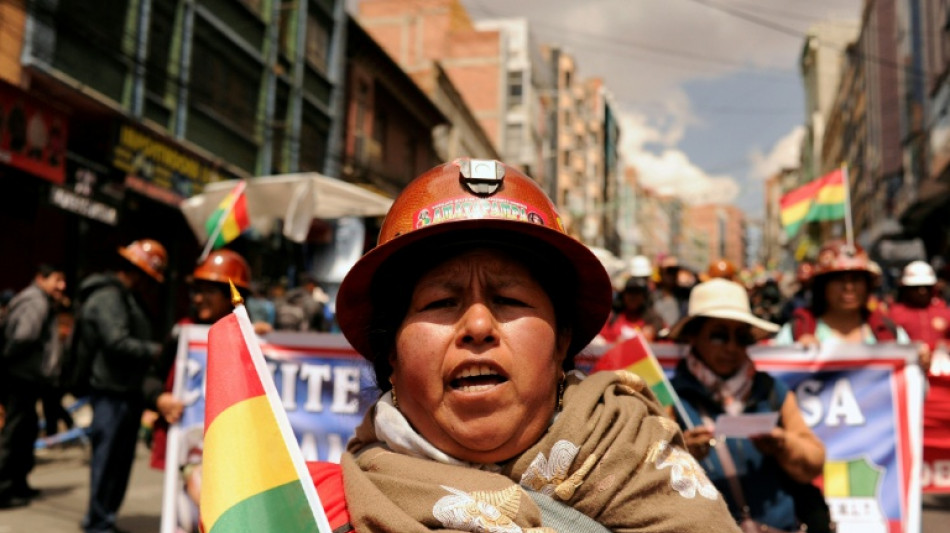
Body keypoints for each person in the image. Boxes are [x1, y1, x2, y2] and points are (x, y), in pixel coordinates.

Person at [312, 159, 740, 532]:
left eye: (510, 299)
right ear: (391, 352)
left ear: (562, 342)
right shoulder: (312, 510)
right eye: (441, 302)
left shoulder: (640, 460)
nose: (478, 325)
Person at [667, 278, 827, 532]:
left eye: (741, 337)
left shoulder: (773, 391)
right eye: (719, 336)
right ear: (693, 336)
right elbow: (644, 482)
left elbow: (813, 463)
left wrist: (783, 444)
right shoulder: (669, 399)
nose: (732, 347)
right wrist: (680, 456)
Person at [145, 249, 263, 533]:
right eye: (197, 292)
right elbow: (149, 378)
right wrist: (159, 399)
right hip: (192, 454)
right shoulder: (182, 333)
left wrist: (269, 345)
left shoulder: (255, 336)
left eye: (207, 292)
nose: (198, 299)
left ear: (231, 295)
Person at [77, 239, 167, 533]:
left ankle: (106, 518)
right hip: (110, 394)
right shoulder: (108, 297)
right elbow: (116, 342)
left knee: (120, 463)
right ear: (137, 272)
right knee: (106, 464)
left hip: (128, 393)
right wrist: (155, 351)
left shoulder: (128, 297)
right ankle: (98, 522)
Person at [0, 264, 67, 509]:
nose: (62, 286)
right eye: (57, 280)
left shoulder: (42, 301)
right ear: (41, 279)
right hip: (21, 378)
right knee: (15, 433)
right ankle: (3, 489)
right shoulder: (36, 301)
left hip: (28, 377)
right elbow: (23, 336)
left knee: (25, 432)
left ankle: (18, 484)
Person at [773, 241, 914, 348]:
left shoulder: (888, 331)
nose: (849, 287)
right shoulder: (796, 332)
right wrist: (796, 355)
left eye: (856, 279)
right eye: (839, 279)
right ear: (822, 286)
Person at [889, 260, 950, 357]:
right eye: (916, 287)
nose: (922, 291)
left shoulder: (945, 312)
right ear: (906, 288)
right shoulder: (894, 314)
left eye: (926, 287)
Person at [595, 276, 665, 345]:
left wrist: (653, 330)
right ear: (623, 295)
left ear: (644, 297)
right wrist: (616, 344)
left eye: (637, 293)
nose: (633, 297)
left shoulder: (653, 318)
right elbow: (600, 340)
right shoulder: (612, 318)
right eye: (630, 292)